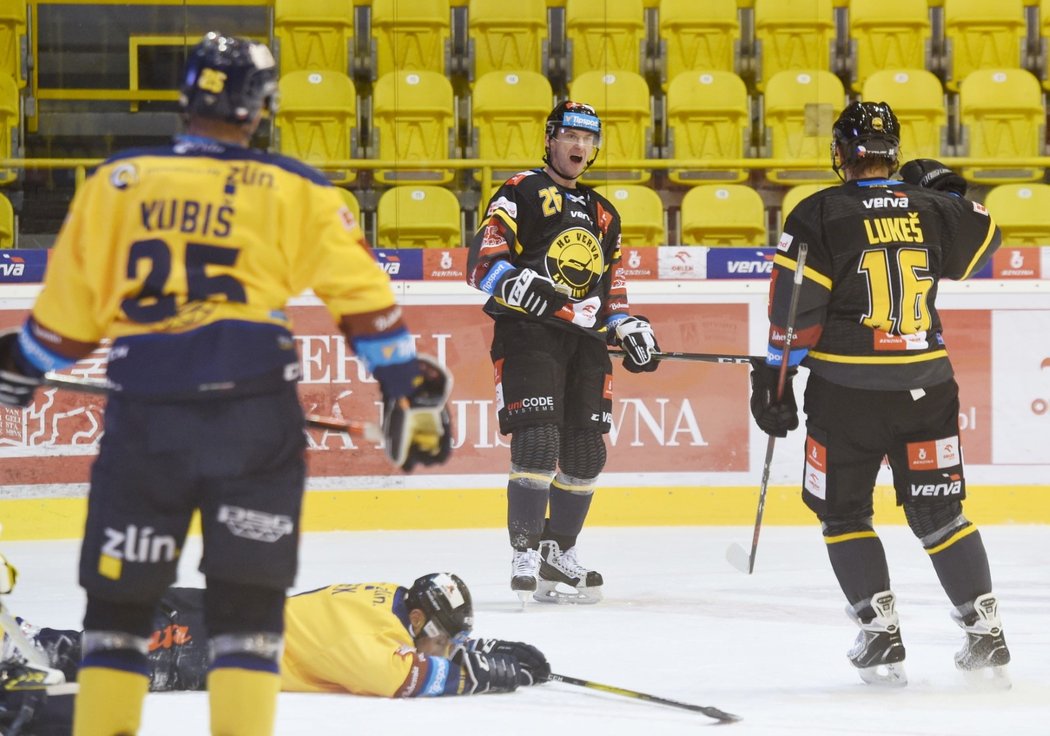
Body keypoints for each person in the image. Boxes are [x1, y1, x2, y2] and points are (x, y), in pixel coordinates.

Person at [0, 32, 452, 736]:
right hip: (252, 421)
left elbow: (65, 326)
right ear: (259, 109)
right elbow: (366, 302)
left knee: (118, 619)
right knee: (247, 620)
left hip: (147, 418)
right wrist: (406, 390)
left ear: (185, 97)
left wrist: (19, 366)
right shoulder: (296, 189)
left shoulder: (115, 183)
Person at [749, 100, 1009, 687]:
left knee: (843, 512)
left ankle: (880, 632)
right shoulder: (933, 208)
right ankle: (985, 631)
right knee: (940, 512)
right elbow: (987, 234)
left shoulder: (817, 211)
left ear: (841, 152)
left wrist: (776, 376)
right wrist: (943, 190)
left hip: (848, 393)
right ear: (894, 151)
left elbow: (795, 312)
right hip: (929, 387)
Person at [466, 101, 661, 605]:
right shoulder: (521, 190)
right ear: (550, 139)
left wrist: (630, 326)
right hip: (529, 335)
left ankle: (558, 552)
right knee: (537, 442)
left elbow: (612, 294)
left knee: (585, 451)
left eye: (588, 138)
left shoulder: (605, 213)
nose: (579, 146)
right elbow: (482, 266)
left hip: (585, 343)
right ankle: (525, 551)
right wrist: (521, 287)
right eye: (570, 135)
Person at [0, 573, 550, 734]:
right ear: (415, 620)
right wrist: (471, 673)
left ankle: (20, 636)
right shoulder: (366, 634)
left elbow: (411, 649)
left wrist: (471, 648)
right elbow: (392, 678)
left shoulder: (390, 602)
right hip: (206, 635)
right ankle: (17, 636)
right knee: (88, 664)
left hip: (216, 618)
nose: (443, 646)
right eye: (442, 636)